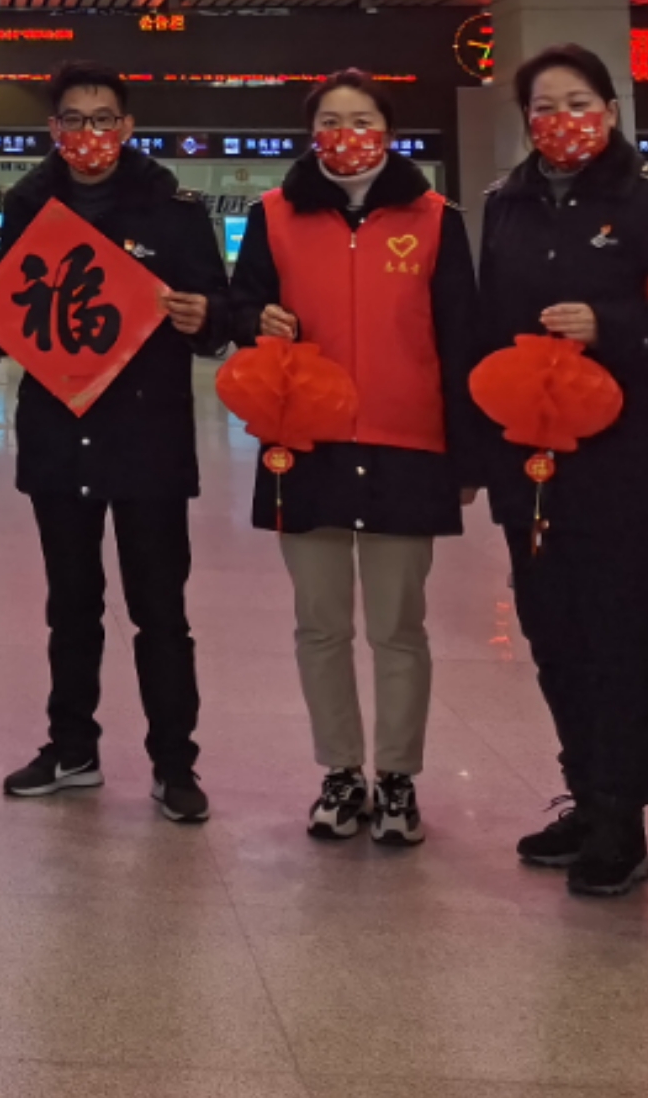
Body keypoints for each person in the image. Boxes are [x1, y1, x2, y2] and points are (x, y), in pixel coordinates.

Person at [229, 68, 492, 848]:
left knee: (397, 625)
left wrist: (467, 457)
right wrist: (257, 319)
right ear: (312, 133)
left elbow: (462, 337)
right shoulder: (274, 214)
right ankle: (341, 771)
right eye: (331, 121)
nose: (346, 134)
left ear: (389, 130)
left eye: (362, 118)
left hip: (408, 445)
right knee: (319, 623)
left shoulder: (436, 218)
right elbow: (241, 306)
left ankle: (399, 775)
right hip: (303, 443)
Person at [475, 44, 648, 898]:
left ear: (610, 107)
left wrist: (613, 324)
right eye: (543, 106)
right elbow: (488, 323)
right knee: (553, 633)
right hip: (532, 461)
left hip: (626, 463)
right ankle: (585, 792)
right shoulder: (506, 203)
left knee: (622, 641)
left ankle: (623, 816)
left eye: (576, 102)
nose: (560, 119)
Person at [0, 67, 230, 823]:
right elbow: (9, 305)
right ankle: (71, 747)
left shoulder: (172, 207)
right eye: (74, 119)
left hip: (147, 437)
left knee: (160, 609)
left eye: (103, 118)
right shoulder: (27, 204)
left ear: (127, 127)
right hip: (58, 434)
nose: (89, 132)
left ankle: (174, 763)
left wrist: (202, 315)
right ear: (53, 130)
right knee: (71, 606)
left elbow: (220, 311)